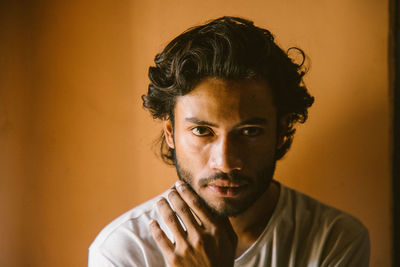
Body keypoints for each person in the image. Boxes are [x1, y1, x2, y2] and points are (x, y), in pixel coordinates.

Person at [88, 16, 370, 266]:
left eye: (250, 131)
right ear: (170, 133)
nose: (225, 162)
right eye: (202, 131)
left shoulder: (334, 238)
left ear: (281, 131)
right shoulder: (123, 252)